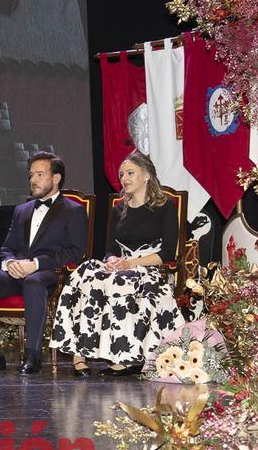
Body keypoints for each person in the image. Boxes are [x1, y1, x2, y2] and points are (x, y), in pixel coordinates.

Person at [49, 151, 182, 376]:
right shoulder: (119, 208)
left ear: (147, 175)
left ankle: (125, 357)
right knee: (85, 274)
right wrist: (112, 260)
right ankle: (80, 352)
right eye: (122, 175)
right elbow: (110, 247)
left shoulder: (165, 206)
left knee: (120, 284)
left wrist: (130, 264)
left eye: (130, 173)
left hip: (151, 268)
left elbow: (167, 252)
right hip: (121, 265)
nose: (124, 179)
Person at [0, 152, 88, 375]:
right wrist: (10, 263)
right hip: (16, 273)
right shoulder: (21, 210)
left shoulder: (74, 211)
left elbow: (75, 253)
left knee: (34, 283)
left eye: (40, 174)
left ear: (56, 178)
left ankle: (33, 355)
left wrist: (35, 264)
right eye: (31, 175)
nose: (33, 179)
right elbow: (6, 247)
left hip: (48, 273)